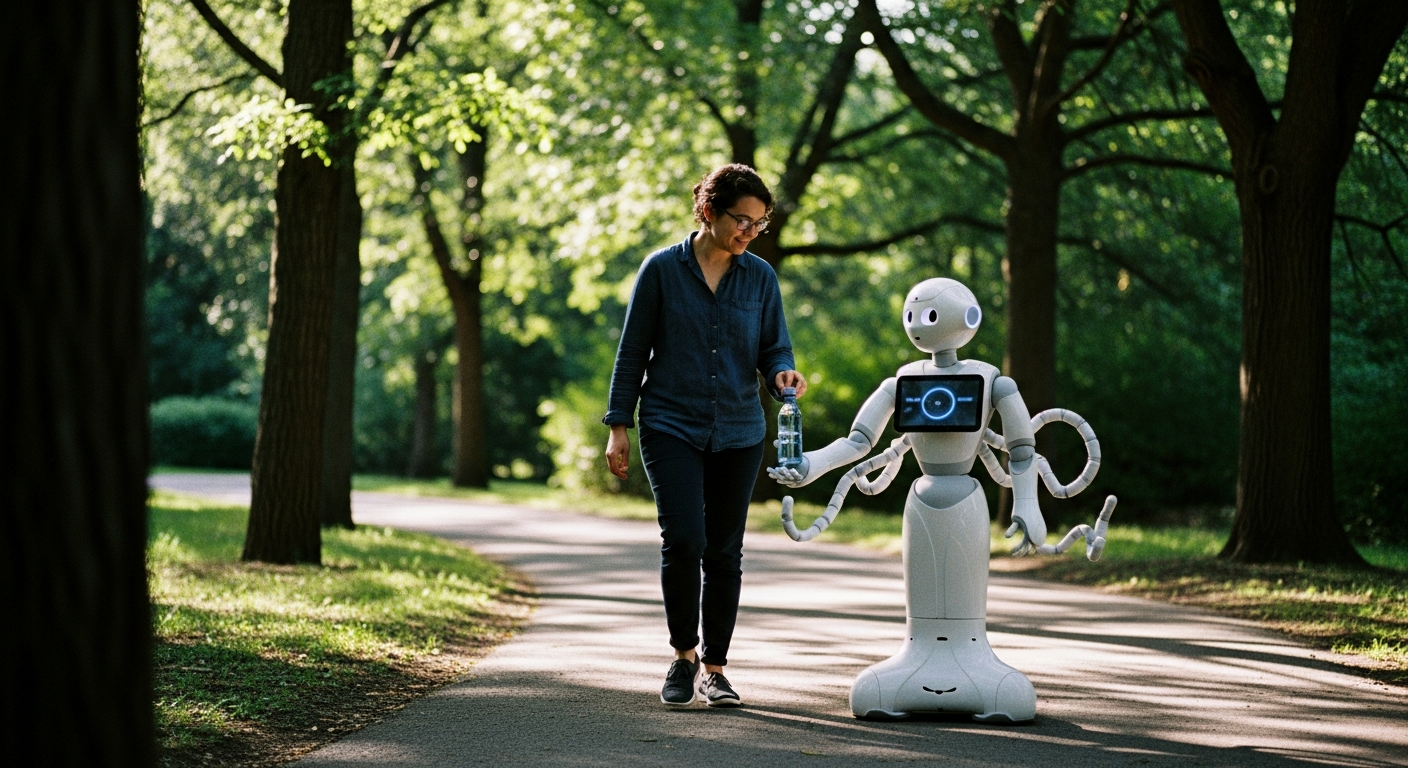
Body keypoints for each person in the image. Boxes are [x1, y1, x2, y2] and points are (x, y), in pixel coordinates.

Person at [602, 164, 807, 708]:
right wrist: (618, 427)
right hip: (671, 423)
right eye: (742, 220)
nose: (748, 232)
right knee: (685, 540)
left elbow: (775, 348)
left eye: (758, 224)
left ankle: (716, 667)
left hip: (740, 429)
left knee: (724, 550)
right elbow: (632, 354)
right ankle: (683, 656)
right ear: (709, 211)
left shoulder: (760, 277)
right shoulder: (661, 271)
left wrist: (783, 372)